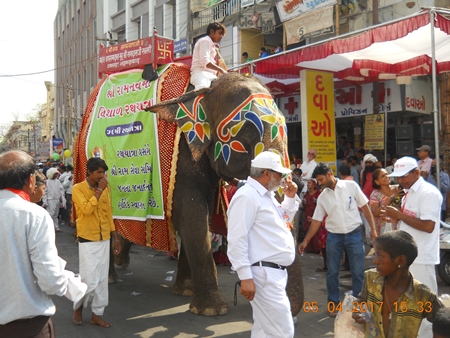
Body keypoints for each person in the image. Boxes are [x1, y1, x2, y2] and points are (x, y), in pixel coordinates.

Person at [0, 150, 86, 337]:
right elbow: (51, 281)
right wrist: (70, 283)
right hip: (26, 326)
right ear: (31, 181)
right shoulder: (33, 215)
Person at [227, 151, 298, 337]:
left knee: (264, 331)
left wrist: (290, 199)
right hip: (263, 274)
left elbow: (283, 223)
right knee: (282, 332)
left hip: (271, 274)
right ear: (266, 173)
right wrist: (245, 276)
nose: (282, 178)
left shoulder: (266, 196)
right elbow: (236, 238)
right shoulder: (247, 196)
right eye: (279, 174)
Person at [298, 163, 377, 317]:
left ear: (329, 174)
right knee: (332, 272)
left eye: (320, 179)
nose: (319, 183)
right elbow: (316, 221)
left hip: (354, 234)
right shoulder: (322, 197)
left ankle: (358, 305)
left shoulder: (351, 186)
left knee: (358, 272)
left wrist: (373, 230)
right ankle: (333, 304)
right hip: (334, 236)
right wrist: (306, 240)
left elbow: (365, 207)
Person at [383, 156, 442, 338]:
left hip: (422, 257)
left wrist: (399, 216)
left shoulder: (428, 193)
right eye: (398, 178)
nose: (400, 181)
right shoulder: (409, 191)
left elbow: (428, 226)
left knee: (424, 306)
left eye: (404, 177)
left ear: (417, 173)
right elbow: (411, 220)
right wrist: (397, 220)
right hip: (408, 258)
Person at [353, 230, 443, 338]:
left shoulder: (423, 296)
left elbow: (444, 322)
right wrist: (357, 310)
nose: (375, 261)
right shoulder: (370, 279)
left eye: (380, 256)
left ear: (400, 261)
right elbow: (361, 300)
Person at [72, 157, 122, 328]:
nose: (102, 175)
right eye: (99, 172)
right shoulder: (77, 188)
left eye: (103, 172)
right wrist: (99, 191)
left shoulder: (104, 190)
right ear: (89, 172)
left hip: (104, 239)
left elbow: (108, 214)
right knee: (88, 279)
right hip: (88, 240)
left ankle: (96, 315)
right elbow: (86, 209)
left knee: (101, 280)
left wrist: (115, 238)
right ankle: (78, 307)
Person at [190, 22, 227, 90]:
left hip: (211, 75)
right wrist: (222, 70)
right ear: (212, 31)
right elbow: (205, 62)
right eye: (220, 33)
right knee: (203, 87)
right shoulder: (205, 41)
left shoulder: (212, 45)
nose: (221, 36)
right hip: (200, 73)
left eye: (222, 34)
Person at [370, 168, 402, 236]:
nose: (386, 177)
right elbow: (375, 213)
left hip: (399, 225)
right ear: (377, 182)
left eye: (386, 174)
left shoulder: (398, 189)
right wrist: (391, 198)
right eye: (383, 176)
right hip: (383, 229)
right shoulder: (375, 194)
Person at [43, 167, 66, 232]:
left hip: (57, 200)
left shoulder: (57, 181)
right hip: (50, 200)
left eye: (56, 174)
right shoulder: (47, 182)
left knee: (56, 215)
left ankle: (56, 228)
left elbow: (61, 190)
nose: (56, 175)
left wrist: (62, 199)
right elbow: (45, 192)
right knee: (51, 214)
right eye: (55, 174)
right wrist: (45, 201)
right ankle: (48, 228)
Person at [301, 178, 321, 253]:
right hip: (307, 215)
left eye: (309, 183)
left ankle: (317, 249)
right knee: (307, 230)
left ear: (313, 185)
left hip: (316, 216)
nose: (308, 184)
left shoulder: (318, 195)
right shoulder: (306, 195)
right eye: (307, 183)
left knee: (316, 232)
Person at [427, 156, 450, 221]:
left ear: (440, 167)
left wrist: (438, 180)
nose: (433, 167)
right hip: (430, 206)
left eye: (434, 165)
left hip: (441, 206)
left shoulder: (445, 176)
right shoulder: (429, 176)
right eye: (432, 165)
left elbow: (446, 189)